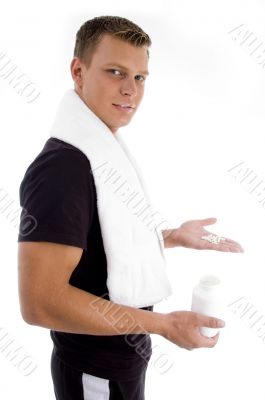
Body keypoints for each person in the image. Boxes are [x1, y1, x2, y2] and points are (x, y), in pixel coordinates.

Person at [17, 15, 244, 400]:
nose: (130, 90)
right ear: (78, 71)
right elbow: (40, 302)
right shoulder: (63, 168)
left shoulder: (96, 148)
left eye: (140, 77)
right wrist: (162, 324)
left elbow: (97, 239)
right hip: (95, 373)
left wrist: (171, 237)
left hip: (116, 367)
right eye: (115, 72)